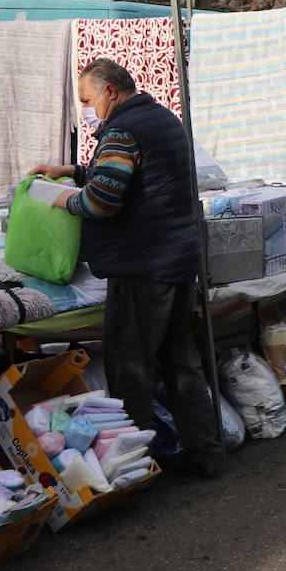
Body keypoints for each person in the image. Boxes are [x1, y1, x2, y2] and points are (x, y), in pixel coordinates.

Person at [29, 59, 223, 477]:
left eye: (87, 100)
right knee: (180, 362)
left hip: (143, 266)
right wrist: (74, 171)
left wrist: (61, 197)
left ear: (110, 92)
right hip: (175, 261)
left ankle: (136, 470)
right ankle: (206, 455)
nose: (86, 109)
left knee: (130, 371)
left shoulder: (121, 129)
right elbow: (134, 177)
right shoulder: (161, 119)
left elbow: (102, 201)